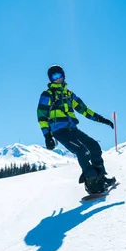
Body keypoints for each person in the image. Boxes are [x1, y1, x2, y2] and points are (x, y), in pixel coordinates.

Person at [37, 64, 116, 194]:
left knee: (94, 146)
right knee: (82, 151)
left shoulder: (69, 95)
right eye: (54, 76)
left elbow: (84, 110)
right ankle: (92, 183)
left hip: (73, 129)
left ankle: (100, 178)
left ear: (63, 76)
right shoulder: (48, 94)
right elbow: (41, 115)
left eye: (59, 75)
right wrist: (47, 136)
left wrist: (102, 119)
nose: (57, 78)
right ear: (50, 79)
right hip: (59, 130)